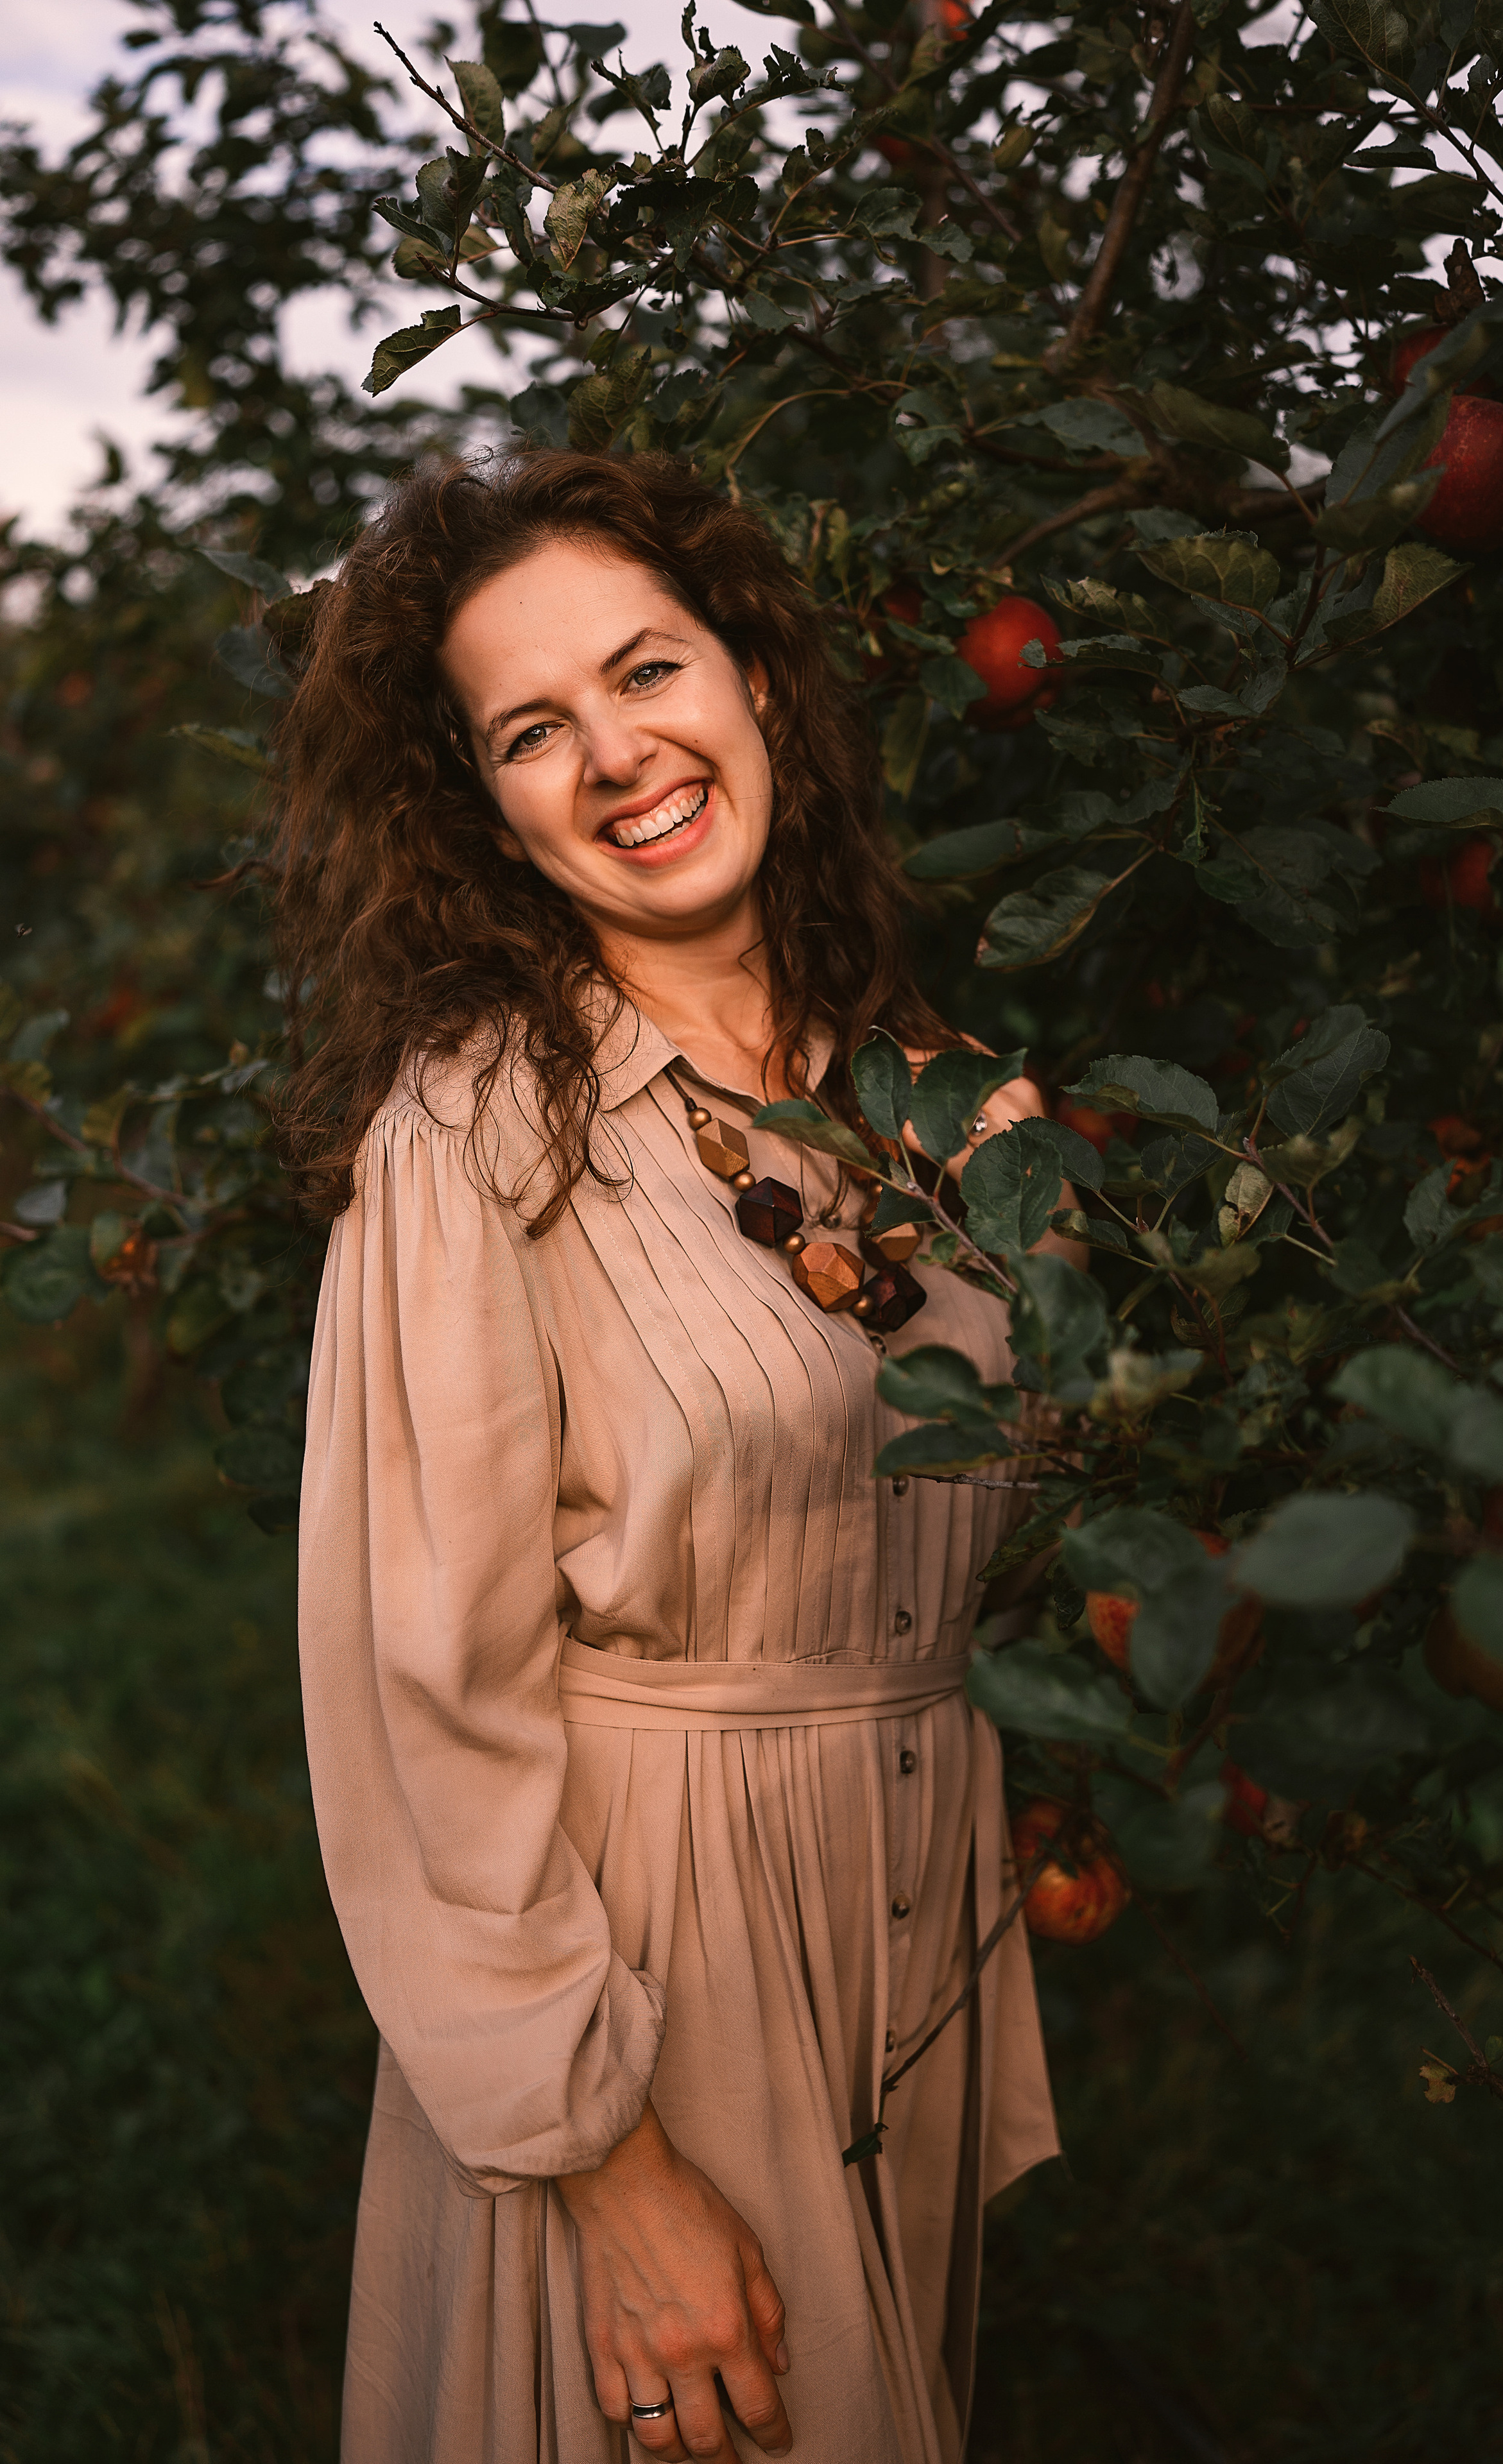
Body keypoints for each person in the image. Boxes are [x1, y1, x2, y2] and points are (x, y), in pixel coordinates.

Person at [277, 448, 1060, 2464]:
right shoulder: (476, 1144)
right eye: (536, 731)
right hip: (646, 1983)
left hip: (904, 1932)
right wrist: (608, 2168)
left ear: (760, 683)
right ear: (488, 809)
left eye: (649, 672)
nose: (619, 754)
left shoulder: (954, 1109)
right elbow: (424, 1709)